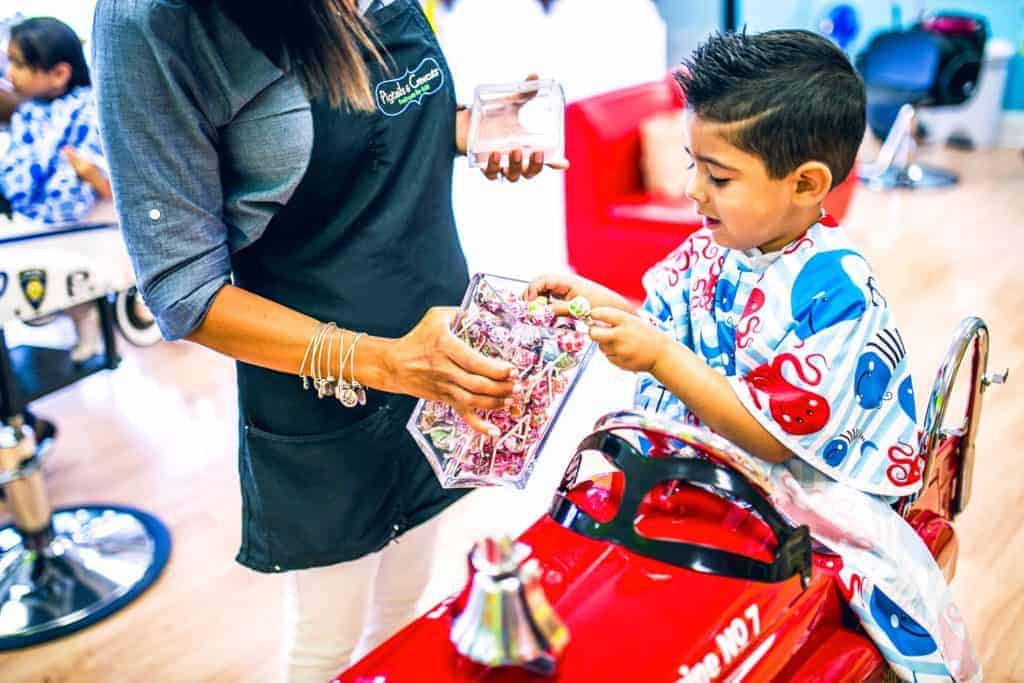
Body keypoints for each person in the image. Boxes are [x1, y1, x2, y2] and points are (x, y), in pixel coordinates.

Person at [91, 0, 563, 680]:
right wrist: (387, 362)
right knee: (326, 642)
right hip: (319, 389)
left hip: (438, 357)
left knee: (405, 605)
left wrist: (463, 129)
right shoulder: (150, 23)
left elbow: (375, 121)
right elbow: (183, 292)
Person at [529, 30, 979, 683]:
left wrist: (658, 357)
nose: (693, 191)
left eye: (717, 176)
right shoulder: (721, 244)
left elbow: (771, 438)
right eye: (693, 165)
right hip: (711, 470)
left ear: (806, 183)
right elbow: (660, 321)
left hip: (807, 491)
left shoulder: (835, 288)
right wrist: (590, 301)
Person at [1, 17, 111, 224]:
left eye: (19, 64)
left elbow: (102, 177)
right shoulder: (30, 111)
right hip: (25, 222)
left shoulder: (88, 109)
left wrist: (92, 177)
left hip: (79, 228)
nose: (9, 72)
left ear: (59, 74)